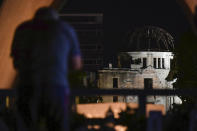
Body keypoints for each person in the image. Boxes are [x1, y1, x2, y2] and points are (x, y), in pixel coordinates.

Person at [11, 7, 82, 131]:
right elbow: (76, 64)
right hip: (56, 88)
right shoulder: (65, 29)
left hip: (27, 87)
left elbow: (16, 63)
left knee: (26, 125)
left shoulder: (22, 29)